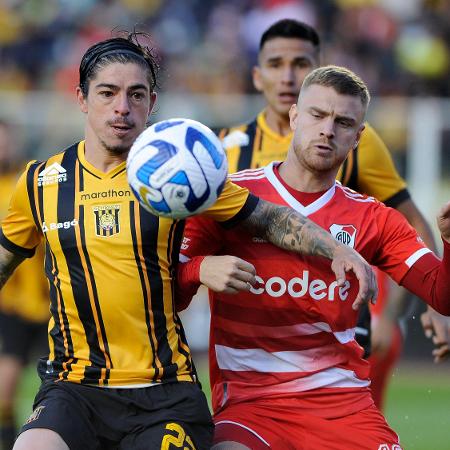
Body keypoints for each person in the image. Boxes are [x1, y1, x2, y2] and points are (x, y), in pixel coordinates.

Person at [0, 33, 377, 450]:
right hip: (73, 388)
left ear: (152, 102)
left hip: (164, 393)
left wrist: (338, 249)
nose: (122, 108)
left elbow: (271, 218)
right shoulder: (40, 183)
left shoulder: (185, 174)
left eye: (136, 95)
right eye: (108, 93)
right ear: (82, 98)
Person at [178, 65, 450, 449]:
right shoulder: (230, 198)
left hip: (343, 406)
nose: (327, 129)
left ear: (358, 137)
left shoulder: (372, 218)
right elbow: (168, 290)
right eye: (317, 115)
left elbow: (441, 295)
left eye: (343, 122)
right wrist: (199, 270)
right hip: (250, 406)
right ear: (293, 117)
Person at [217, 19, 449, 407]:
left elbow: (403, 221)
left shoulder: (356, 140)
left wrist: (425, 305)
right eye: (276, 64)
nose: (288, 75)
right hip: (260, 326)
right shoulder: (224, 153)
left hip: (339, 311)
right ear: (258, 77)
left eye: (300, 64)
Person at [0, 120, 49, 450]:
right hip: (12, 304)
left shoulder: (32, 181)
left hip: (51, 304)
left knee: (62, 391)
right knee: (4, 390)